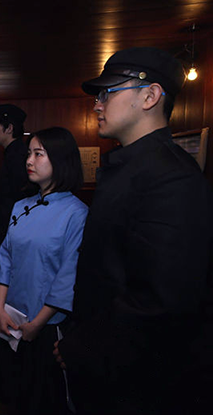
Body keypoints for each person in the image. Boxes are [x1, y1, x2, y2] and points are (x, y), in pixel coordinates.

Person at [53, 47, 213, 414]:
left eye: (108, 93)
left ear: (150, 96)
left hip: (135, 383)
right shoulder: (133, 168)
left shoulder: (171, 178)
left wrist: (84, 347)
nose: (97, 105)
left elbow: (161, 301)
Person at [0, 127, 88, 414]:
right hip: (10, 319)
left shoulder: (76, 213)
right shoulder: (20, 206)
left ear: (60, 159)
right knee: (14, 394)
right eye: (29, 154)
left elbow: (68, 276)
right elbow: (5, 258)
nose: (29, 161)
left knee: (43, 400)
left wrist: (37, 324)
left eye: (38, 154)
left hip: (46, 326)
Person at [0, 104, 35, 251]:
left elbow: (20, 195)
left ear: (9, 129)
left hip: (14, 225)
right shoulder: (13, 153)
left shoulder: (18, 156)